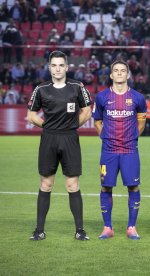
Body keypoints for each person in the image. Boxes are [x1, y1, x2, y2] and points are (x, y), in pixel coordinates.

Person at [26, 50, 92, 241]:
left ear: (66, 66)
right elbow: (31, 115)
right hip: (49, 138)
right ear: (49, 67)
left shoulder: (77, 87)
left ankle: (80, 230)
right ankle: (39, 230)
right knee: (46, 184)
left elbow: (87, 111)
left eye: (60, 65)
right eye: (53, 65)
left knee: (72, 185)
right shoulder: (41, 88)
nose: (57, 68)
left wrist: (71, 126)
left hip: (70, 138)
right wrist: (47, 126)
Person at [92, 60, 147, 240]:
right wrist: (105, 137)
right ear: (111, 75)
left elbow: (142, 121)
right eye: (116, 71)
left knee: (133, 185)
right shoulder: (101, 97)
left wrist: (133, 137)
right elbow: (97, 121)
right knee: (105, 186)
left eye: (123, 71)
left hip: (130, 149)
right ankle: (107, 227)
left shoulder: (138, 98)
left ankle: (131, 227)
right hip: (108, 151)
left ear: (128, 74)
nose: (119, 73)